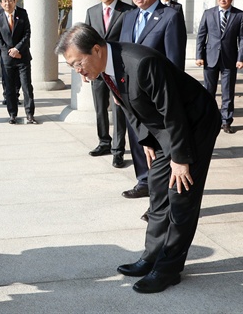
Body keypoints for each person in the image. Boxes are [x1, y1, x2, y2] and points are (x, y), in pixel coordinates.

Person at [56, 23, 220, 294]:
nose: (78, 71)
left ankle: (169, 269)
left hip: (193, 124)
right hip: (165, 130)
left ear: (96, 50)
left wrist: (180, 158)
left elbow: (173, 110)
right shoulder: (107, 67)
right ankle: (152, 257)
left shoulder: (141, 63)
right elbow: (127, 104)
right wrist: (147, 140)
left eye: (78, 63)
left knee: (181, 197)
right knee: (157, 189)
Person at [119, 0, 187, 205]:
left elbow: (175, 60)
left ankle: (159, 199)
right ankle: (143, 181)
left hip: (157, 94)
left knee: (159, 147)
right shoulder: (128, 17)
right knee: (138, 138)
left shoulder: (170, 16)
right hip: (132, 93)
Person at [84, 0, 134, 168]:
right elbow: (85, 42)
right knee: (99, 108)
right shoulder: (92, 12)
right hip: (97, 69)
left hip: (118, 69)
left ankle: (118, 150)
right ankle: (104, 141)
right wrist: (85, 69)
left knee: (119, 110)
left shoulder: (128, 11)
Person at [196, 0, 243, 134]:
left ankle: (226, 121)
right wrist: (199, 55)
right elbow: (201, 35)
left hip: (230, 59)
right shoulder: (208, 13)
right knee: (208, 91)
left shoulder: (239, 15)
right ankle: (208, 120)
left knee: (228, 91)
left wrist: (241, 58)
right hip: (210, 58)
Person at [0, 0, 36, 125]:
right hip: (7, 59)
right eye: (4, 1)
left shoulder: (22, 14)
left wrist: (17, 49)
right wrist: (9, 51)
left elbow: (27, 33)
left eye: (10, 0)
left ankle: (30, 114)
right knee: (9, 88)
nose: (7, 3)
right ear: (1, 4)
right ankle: (12, 114)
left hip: (22, 56)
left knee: (26, 86)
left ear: (15, 0)